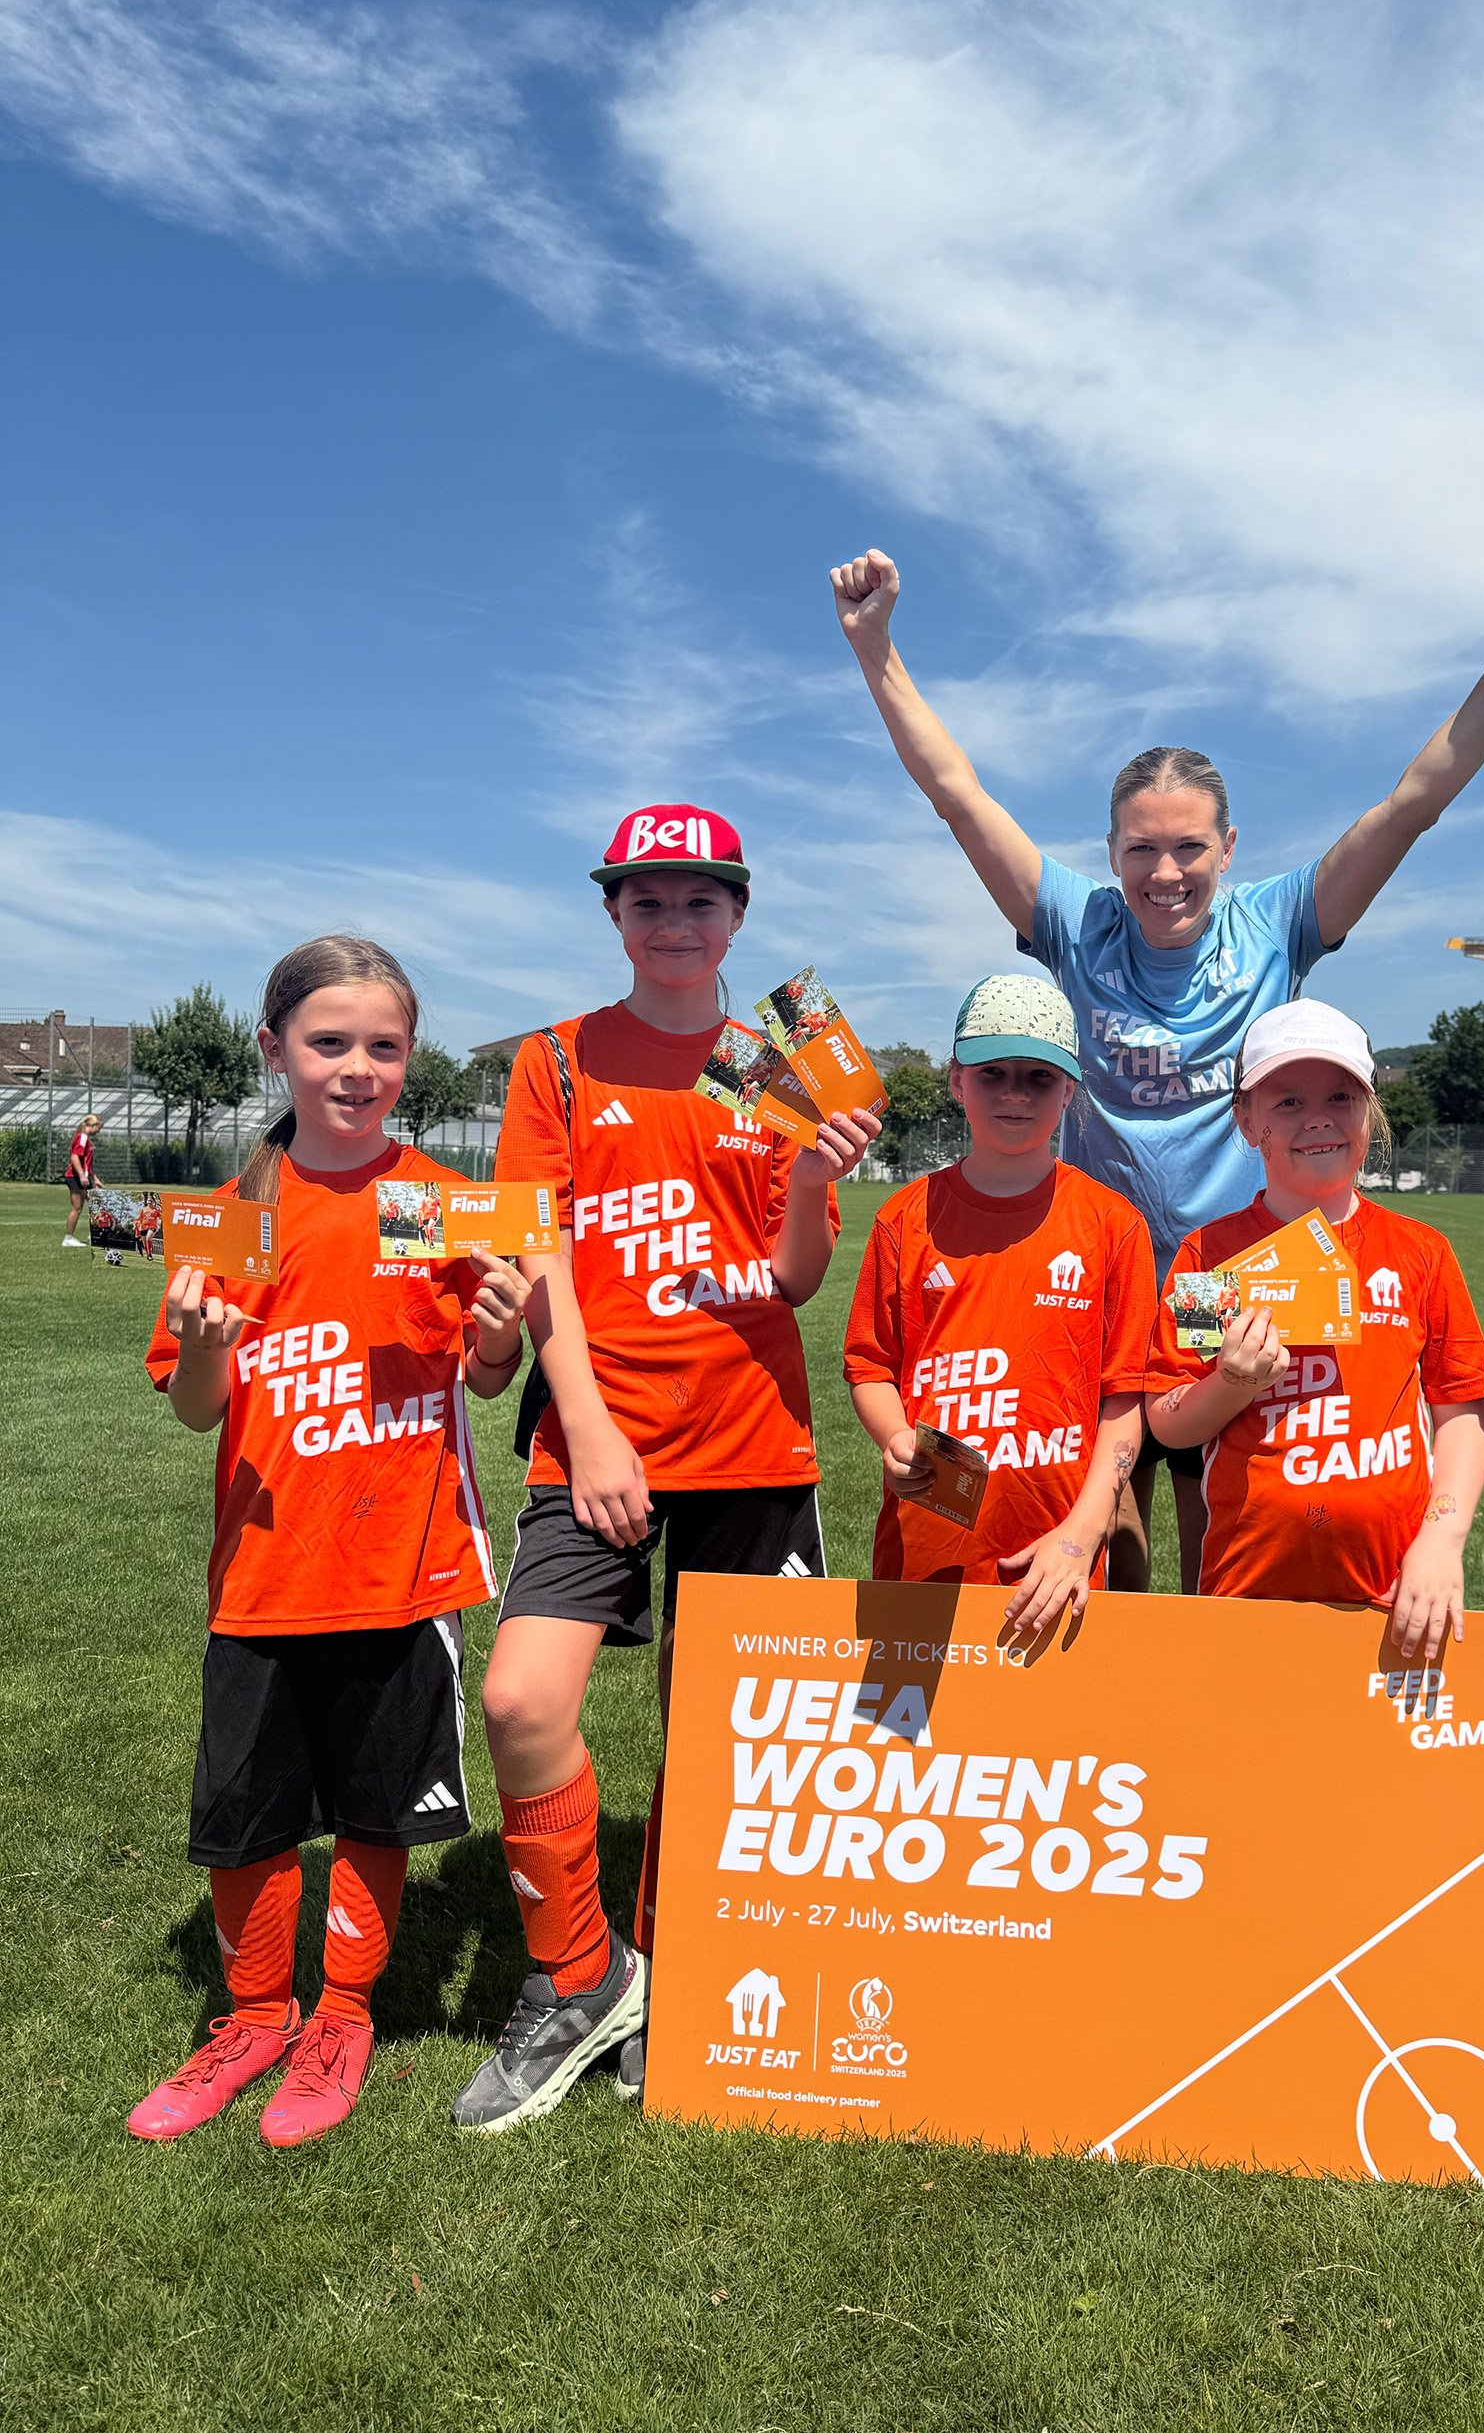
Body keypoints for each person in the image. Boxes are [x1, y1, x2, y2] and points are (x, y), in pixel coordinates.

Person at [830, 545, 1484, 1589]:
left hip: (1247, 1285)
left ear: (1229, 848)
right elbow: (958, 796)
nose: (1163, 873)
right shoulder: (1072, 922)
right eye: (1139, 849)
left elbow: (1411, 803)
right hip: (1099, 1285)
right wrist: (876, 649)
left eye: (1187, 848)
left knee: (1240, 1551)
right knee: (1098, 1555)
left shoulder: (1280, 920)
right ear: (1109, 852)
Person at [452, 805, 879, 2133]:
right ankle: (583, 1975)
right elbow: (537, 1254)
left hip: (754, 1432)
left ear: (738, 917)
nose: (677, 921)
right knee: (523, 1698)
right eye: (650, 899)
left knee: (731, 1728)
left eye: (703, 900)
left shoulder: (768, 1061)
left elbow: (792, 1277)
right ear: (615, 915)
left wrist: (814, 1177)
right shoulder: (560, 1059)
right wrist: (584, 1422)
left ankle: (684, 1964)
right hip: (596, 1433)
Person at [129, 938, 530, 2149]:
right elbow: (199, 1404)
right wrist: (205, 1338)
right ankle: (252, 2016)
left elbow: (485, 1377)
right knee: (243, 1816)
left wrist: (504, 1330)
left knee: (374, 1810)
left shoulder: (441, 1207)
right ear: (275, 1051)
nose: (358, 1069)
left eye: (384, 1046)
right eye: (329, 1043)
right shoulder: (234, 1217)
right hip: (260, 1572)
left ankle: (341, 2015)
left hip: (399, 1570)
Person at [1145, 999, 1484, 1663]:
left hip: (1398, 1594)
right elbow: (1168, 1421)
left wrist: (1442, 1542)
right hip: (1246, 1591)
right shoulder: (1209, 1258)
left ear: (1369, 1111)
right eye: (1287, 1102)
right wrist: (1230, 1383)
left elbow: (1461, 1416)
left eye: (1341, 1095)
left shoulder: (1421, 1253)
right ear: (1245, 1120)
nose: (1318, 1118)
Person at [845, 974, 1153, 1633]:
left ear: (1070, 1090)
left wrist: (1083, 1531)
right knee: (915, 1738)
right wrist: (896, 1437)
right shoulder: (905, 1219)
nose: (1015, 1092)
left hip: (1058, 1557)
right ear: (957, 1081)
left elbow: (1125, 1403)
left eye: (1039, 1077)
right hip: (926, 1551)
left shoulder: (1112, 1225)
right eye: (994, 1073)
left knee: (1056, 1736)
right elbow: (870, 1367)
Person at [61, 1111, 102, 1247]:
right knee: (77, 1208)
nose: (99, 1131)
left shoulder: (86, 1139)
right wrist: (81, 1175)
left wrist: (94, 1179)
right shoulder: (82, 1138)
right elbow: (74, 1157)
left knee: (95, 1205)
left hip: (83, 1177)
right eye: (99, 1128)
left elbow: (88, 1163)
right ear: (93, 1125)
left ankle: (94, 1236)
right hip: (74, 1177)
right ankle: (68, 1239)